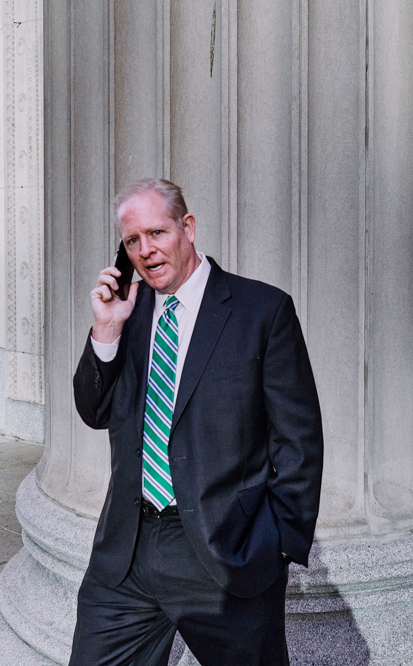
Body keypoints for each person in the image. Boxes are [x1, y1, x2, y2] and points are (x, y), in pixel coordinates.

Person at [69, 178, 323, 666]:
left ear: (187, 227)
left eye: (157, 233)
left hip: (224, 556)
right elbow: (92, 411)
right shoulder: (129, 311)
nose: (145, 251)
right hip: (127, 553)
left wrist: (275, 546)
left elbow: (299, 441)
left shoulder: (261, 311)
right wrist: (105, 331)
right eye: (131, 241)